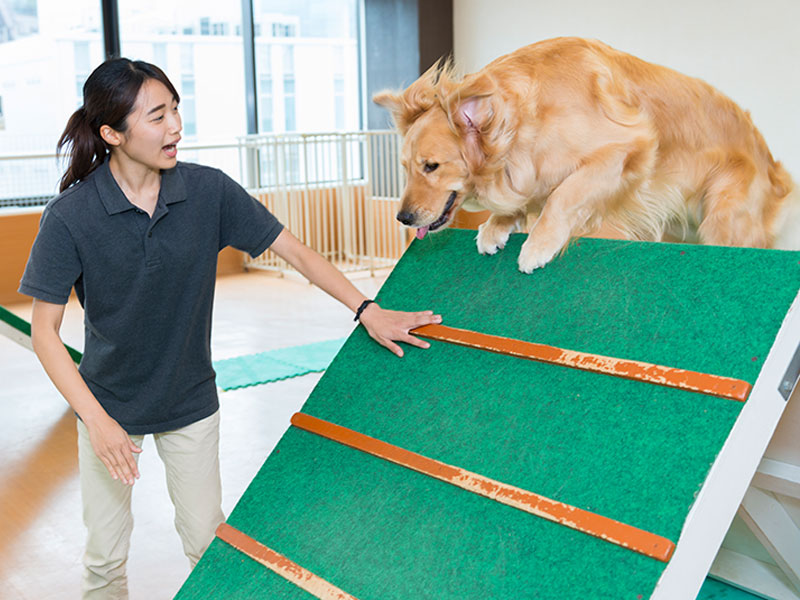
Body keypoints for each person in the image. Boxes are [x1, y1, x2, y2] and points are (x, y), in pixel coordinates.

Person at [19, 58, 441, 599]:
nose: (174, 127)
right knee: (104, 559)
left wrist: (367, 308)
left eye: (175, 109)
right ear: (111, 134)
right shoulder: (71, 217)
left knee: (205, 543)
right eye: (156, 116)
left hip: (190, 401)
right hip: (107, 405)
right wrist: (97, 422)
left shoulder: (208, 191)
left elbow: (296, 252)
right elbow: (45, 334)